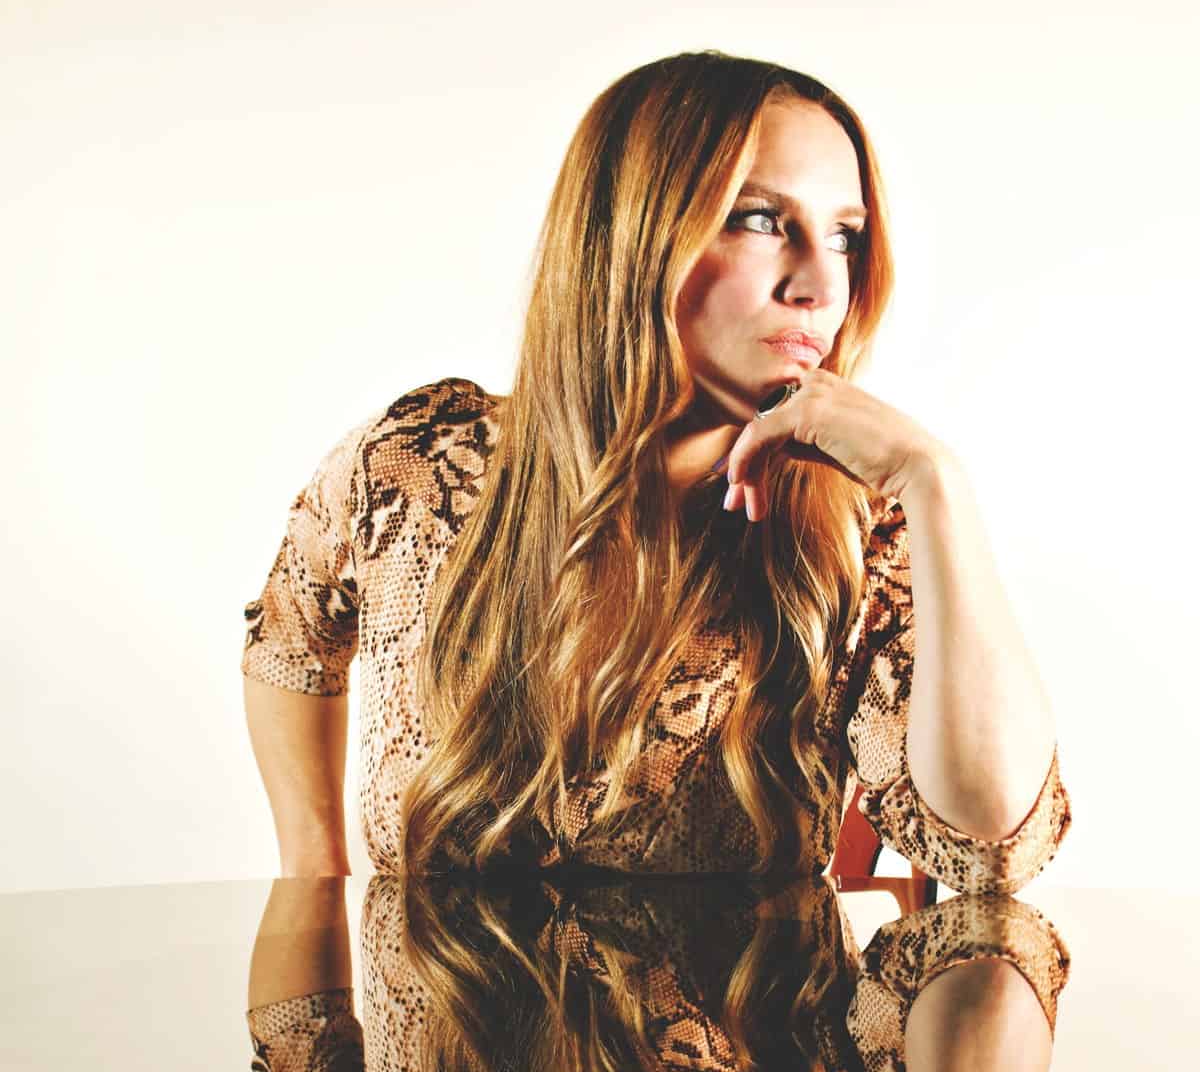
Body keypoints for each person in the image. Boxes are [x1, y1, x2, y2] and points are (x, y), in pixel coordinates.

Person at [240, 48, 1072, 891]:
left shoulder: (858, 532)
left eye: (844, 237)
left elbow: (992, 848)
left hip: (749, 986)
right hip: (434, 981)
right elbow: (289, 638)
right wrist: (312, 878)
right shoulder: (422, 464)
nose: (822, 285)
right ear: (631, 233)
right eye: (760, 219)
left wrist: (933, 482)